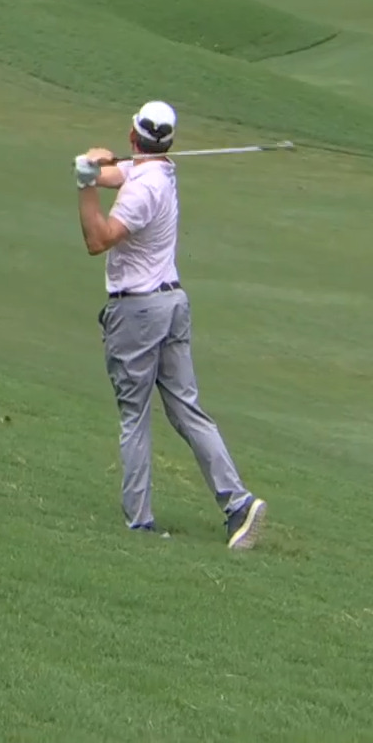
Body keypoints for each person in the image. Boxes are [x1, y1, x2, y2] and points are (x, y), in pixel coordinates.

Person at [72, 102, 267, 548]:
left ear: (131, 135)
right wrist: (91, 168)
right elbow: (116, 175)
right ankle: (238, 502)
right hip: (172, 304)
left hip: (138, 313)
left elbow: (97, 240)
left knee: (134, 417)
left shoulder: (144, 190)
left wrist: (84, 184)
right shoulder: (154, 172)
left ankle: (139, 522)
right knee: (186, 410)